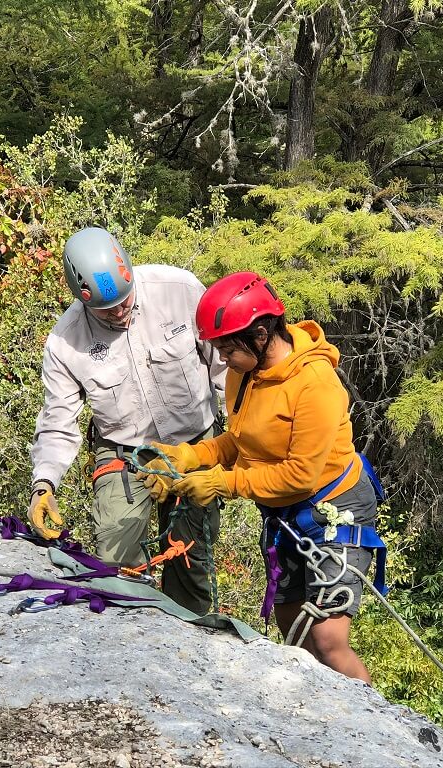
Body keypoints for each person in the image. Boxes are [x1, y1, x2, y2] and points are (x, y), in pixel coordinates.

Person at [144, 272, 386, 682]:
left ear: (260, 333)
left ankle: (374, 724)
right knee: (293, 632)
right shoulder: (244, 375)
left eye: (226, 347)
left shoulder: (315, 386)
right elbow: (240, 441)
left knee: (327, 640)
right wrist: (190, 456)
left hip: (333, 508)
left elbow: (301, 476)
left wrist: (224, 482)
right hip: (281, 513)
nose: (221, 359)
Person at [26, 226, 226, 616]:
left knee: (190, 561)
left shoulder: (179, 290)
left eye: (125, 301)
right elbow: (58, 419)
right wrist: (43, 483)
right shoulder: (66, 342)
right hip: (124, 451)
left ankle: (188, 646)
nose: (121, 313)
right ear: (81, 299)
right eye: (107, 309)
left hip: (194, 442)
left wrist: (245, 440)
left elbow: (226, 368)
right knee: (117, 566)